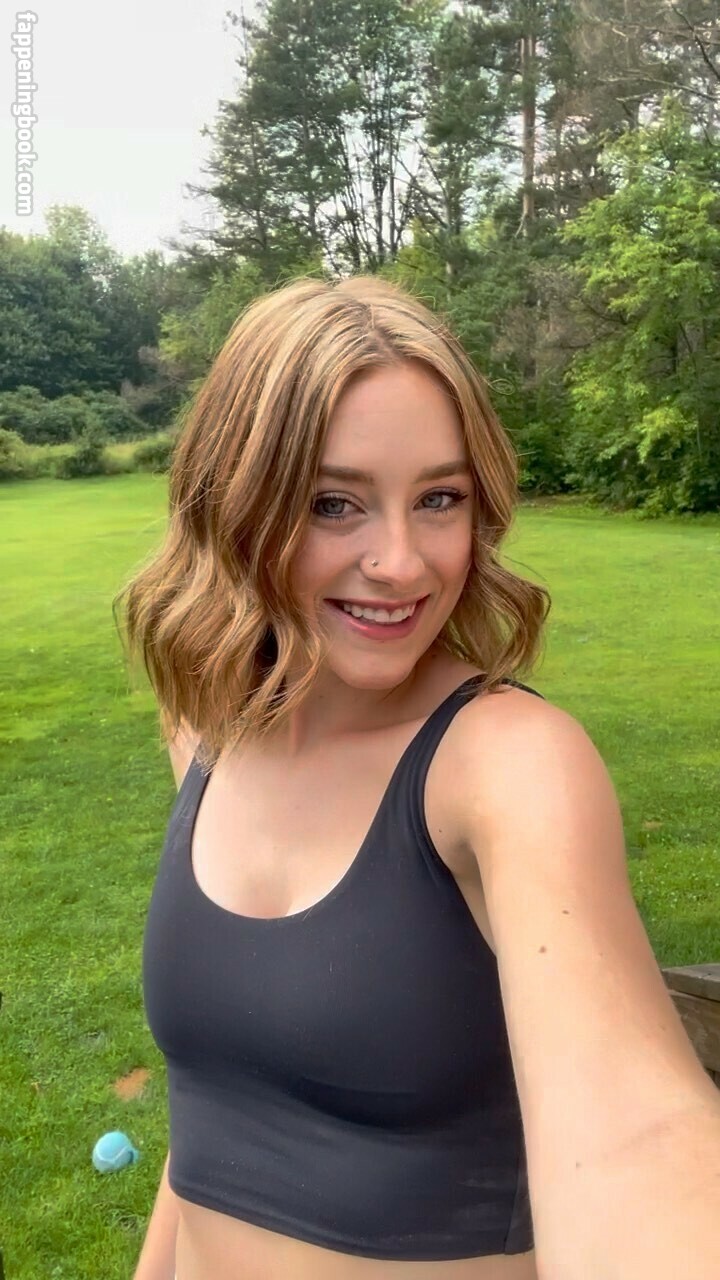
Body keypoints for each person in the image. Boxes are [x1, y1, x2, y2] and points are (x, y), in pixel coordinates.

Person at [118, 276, 720, 1280]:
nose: (401, 562)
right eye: (334, 503)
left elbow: (636, 1133)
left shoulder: (505, 766)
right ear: (238, 502)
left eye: (439, 498)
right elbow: (212, 1115)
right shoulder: (206, 734)